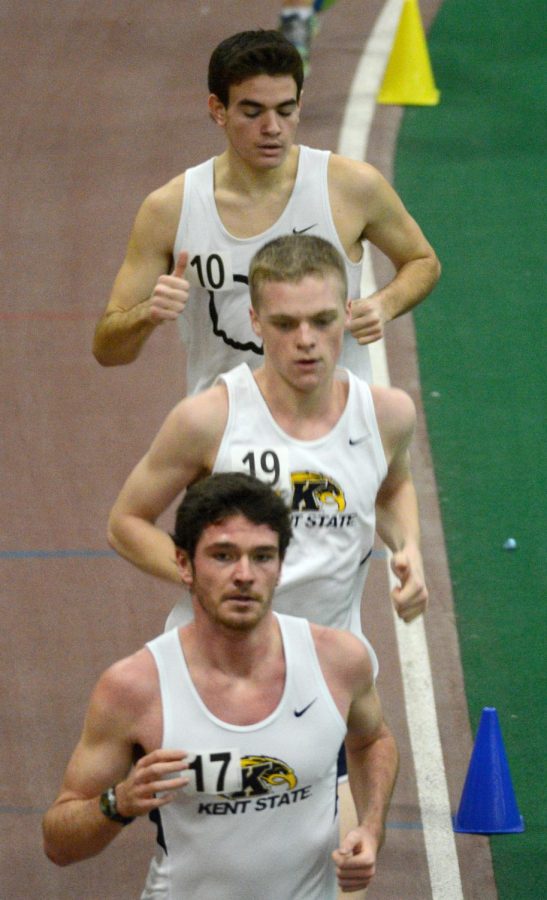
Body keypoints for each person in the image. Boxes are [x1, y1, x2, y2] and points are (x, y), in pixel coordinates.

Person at [43, 473, 399, 898]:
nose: (245, 575)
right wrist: (118, 803)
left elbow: (373, 740)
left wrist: (371, 828)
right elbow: (59, 844)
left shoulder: (339, 661)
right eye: (223, 556)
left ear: (281, 567)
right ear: (183, 564)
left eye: (262, 557)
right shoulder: (135, 688)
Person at [107, 234, 428, 643]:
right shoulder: (208, 419)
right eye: (285, 323)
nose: (306, 339)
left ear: (347, 313)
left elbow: (392, 487)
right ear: (255, 321)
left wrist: (409, 549)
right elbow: (125, 523)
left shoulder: (387, 415)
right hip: (219, 661)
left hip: (330, 665)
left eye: (322, 320)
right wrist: (208, 577)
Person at [92, 29, 440, 396]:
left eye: (285, 110)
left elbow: (422, 260)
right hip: (228, 435)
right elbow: (108, 350)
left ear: (300, 105)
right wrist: (146, 314)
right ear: (218, 110)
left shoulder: (352, 187)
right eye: (253, 111)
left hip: (336, 431)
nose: (272, 128)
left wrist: (384, 305)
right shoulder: (171, 209)